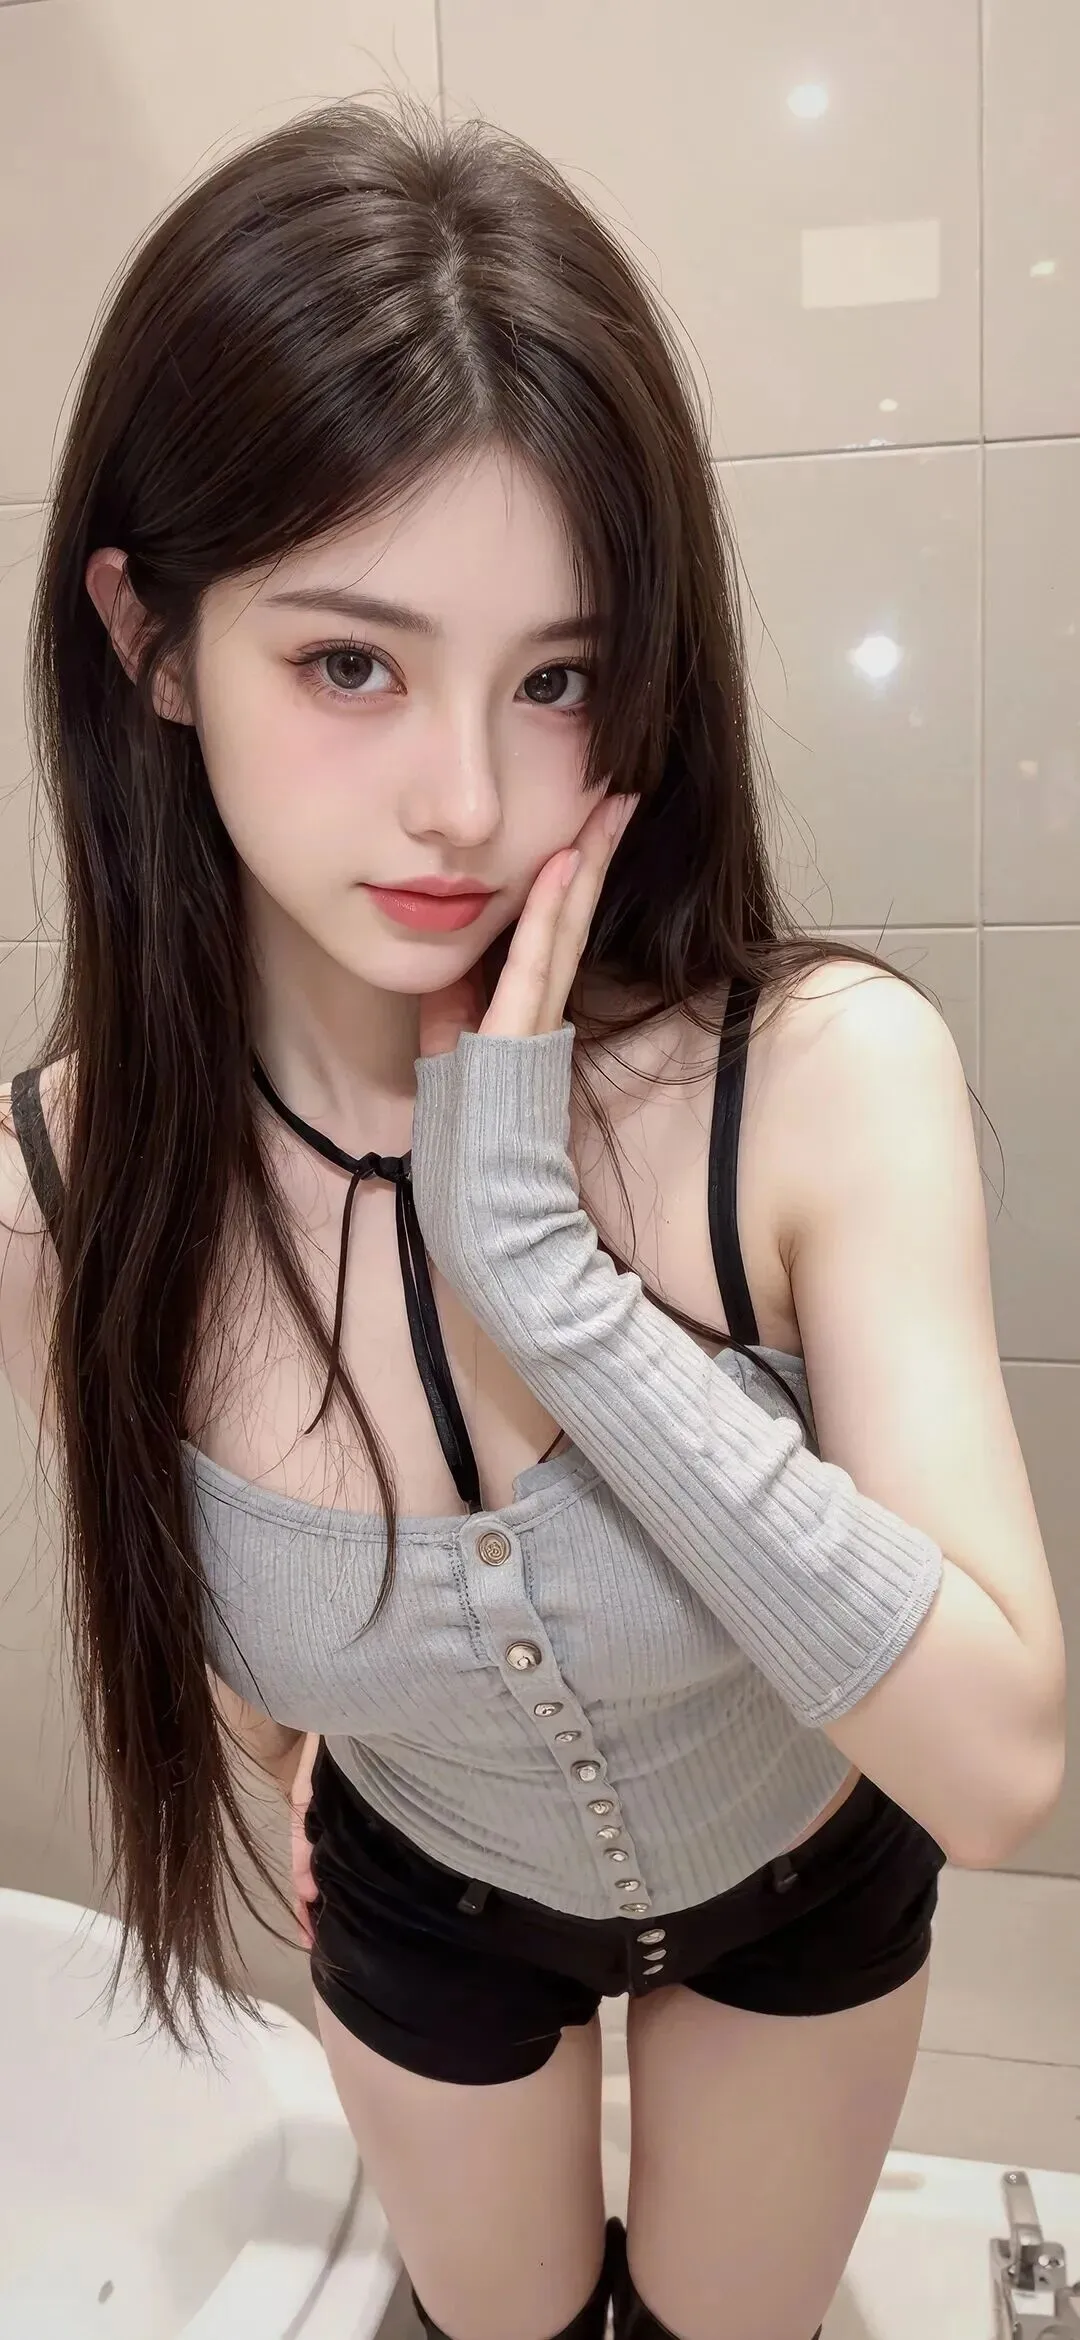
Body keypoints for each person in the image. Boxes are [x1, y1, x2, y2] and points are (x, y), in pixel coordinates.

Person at [0, 95, 1065, 2340]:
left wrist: (551, 1289)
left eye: (556, 678)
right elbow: (211, 1645)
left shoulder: (816, 1077)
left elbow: (997, 1769)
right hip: (427, 1915)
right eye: (352, 663)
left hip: (806, 1878)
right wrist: (322, 1739)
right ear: (151, 636)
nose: (470, 801)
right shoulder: (65, 1192)